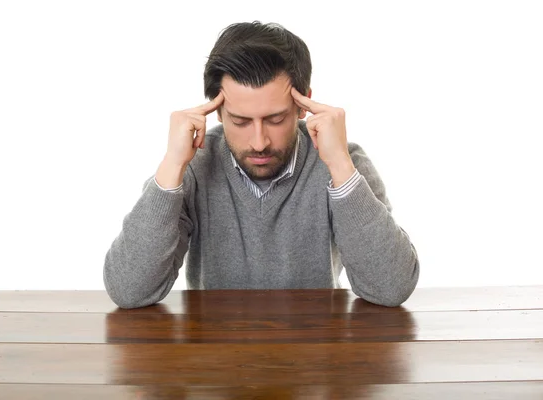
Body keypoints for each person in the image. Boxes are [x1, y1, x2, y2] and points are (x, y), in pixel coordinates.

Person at [103, 21, 420, 309]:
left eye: (275, 119)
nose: (259, 142)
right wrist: (172, 165)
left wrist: (339, 165)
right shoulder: (192, 169)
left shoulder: (344, 164)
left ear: (302, 105)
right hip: (215, 360)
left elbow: (391, 288)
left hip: (316, 359)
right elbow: (129, 291)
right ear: (217, 110)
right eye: (240, 120)